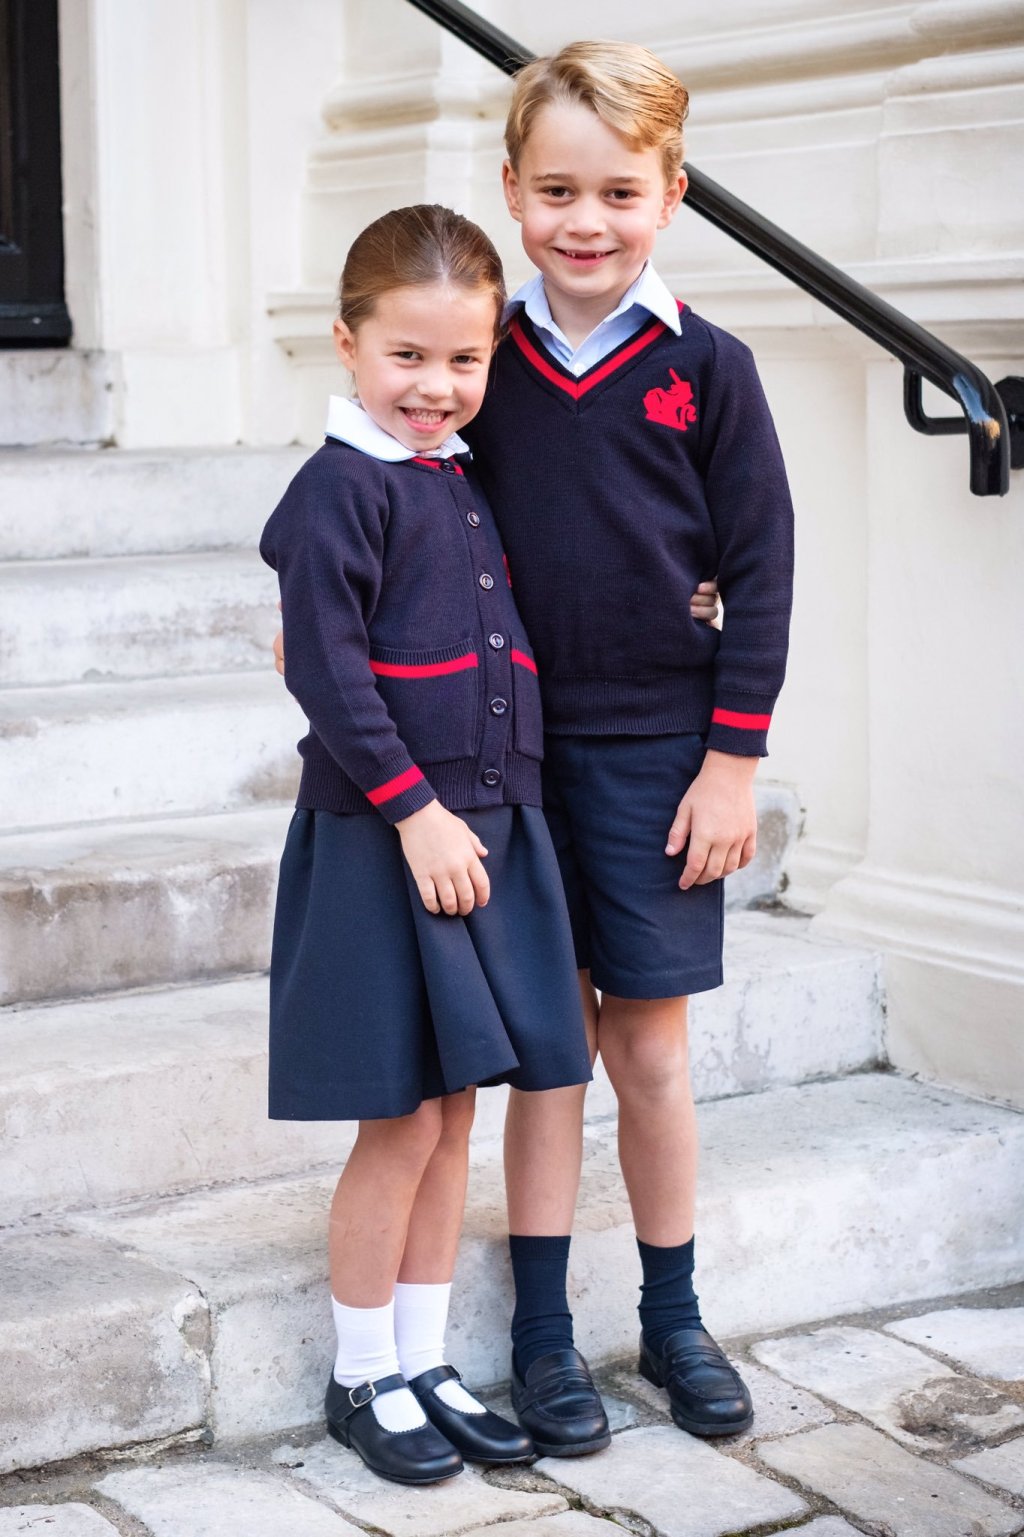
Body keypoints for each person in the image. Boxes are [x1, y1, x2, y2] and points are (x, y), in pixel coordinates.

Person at [462, 40, 794, 1447]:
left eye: (616, 191)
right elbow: (407, 500)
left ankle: (672, 1319)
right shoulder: (483, 358)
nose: (582, 221)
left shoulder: (708, 368)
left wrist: (734, 759)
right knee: (550, 1054)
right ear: (512, 190)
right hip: (515, 760)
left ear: (671, 196)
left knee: (645, 1050)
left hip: (659, 759)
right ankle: (545, 1341)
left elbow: (762, 567)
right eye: (554, 190)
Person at [259, 202, 596, 1485]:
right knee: (397, 1121)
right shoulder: (337, 491)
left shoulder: (448, 469)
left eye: (464, 362)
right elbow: (333, 680)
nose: (437, 386)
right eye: (407, 357)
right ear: (346, 345)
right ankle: (360, 1377)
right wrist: (416, 810)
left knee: (456, 1113)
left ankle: (423, 1353)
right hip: (388, 839)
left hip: (480, 834)